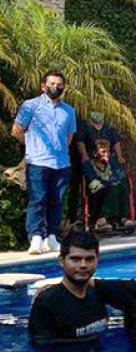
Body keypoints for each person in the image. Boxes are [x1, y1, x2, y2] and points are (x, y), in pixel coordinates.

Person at [12, 70, 77, 255]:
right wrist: (31, 145)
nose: (55, 87)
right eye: (52, 83)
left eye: (59, 84)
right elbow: (16, 130)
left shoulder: (69, 111)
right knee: (38, 200)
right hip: (38, 162)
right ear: (43, 86)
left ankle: (52, 237)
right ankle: (36, 237)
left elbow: (69, 137)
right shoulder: (30, 105)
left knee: (56, 201)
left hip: (62, 163)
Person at [28, 231, 107, 346]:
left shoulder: (100, 294)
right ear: (61, 261)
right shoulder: (47, 302)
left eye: (89, 259)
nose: (83, 265)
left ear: (97, 260)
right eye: (75, 259)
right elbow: (43, 349)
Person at [84, 140, 134, 232]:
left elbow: (120, 174)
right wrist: (109, 183)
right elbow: (92, 180)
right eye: (103, 152)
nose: (106, 154)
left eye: (108, 152)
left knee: (122, 183)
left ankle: (123, 218)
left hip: (111, 187)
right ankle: (103, 219)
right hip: (96, 191)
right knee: (112, 186)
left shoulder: (112, 162)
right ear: (95, 153)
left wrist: (112, 182)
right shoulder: (89, 164)